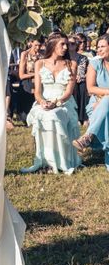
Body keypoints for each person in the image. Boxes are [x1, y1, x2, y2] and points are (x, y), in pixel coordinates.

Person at [21, 32, 81, 174]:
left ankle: (60, 161)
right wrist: (42, 102)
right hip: (44, 100)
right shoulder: (39, 63)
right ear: (53, 45)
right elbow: (37, 91)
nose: (66, 47)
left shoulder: (72, 64)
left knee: (54, 114)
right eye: (63, 44)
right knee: (43, 114)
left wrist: (57, 102)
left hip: (63, 102)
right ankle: (44, 161)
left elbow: (68, 92)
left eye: (67, 44)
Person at [73, 34, 109, 170]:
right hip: (96, 103)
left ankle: (89, 136)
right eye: (97, 47)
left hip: (102, 105)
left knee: (107, 106)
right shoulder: (94, 63)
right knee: (106, 105)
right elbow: (90, 88)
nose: (99, 50)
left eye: (103, 46)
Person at [18, 38, 42, 120]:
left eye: (39, 45)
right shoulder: (25, 54)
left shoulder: (42, 54)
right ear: (31, 43)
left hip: (40, 80)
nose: (38, 48)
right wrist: (35, 74)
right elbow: (21, 75)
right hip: (28, 80)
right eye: (36, 45)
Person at [69, 35, 89, 125]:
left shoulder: (83, 58)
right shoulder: (65, 59)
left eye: (74, 43)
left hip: (82, 80)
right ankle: (76, 117)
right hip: (69, 81)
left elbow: (87, 71)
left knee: (83, 88)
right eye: (69, 43)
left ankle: (84, 118)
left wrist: (82, 77)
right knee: (74, 90)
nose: (71, 45)